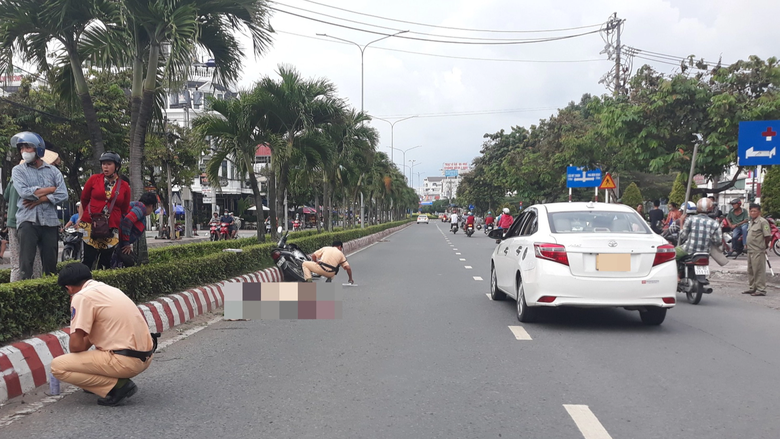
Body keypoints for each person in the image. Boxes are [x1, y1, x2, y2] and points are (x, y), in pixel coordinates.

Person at [50, 263, 156, 406]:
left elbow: (75, 347)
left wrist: (74, 312)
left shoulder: (81, 297)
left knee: (58, 366)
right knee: (95, 352)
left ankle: (118, 386)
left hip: (125, 362)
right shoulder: (108, 288)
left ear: (68, 288)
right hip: (145, 357)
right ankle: (100, 384)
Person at [11, 132, 68, 279]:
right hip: (27, 220)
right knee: (26, 263)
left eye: (28, 147)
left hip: (50, 221)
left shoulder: (53, 171)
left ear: (39, 149)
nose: (24, 151)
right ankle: (25, 295)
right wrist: (50, 189)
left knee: (50, 263)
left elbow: (63, 194)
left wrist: (41, 199)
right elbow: (24, 193)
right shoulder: (18, 170)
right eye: (22, 148)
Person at [80, 152, 131, 270]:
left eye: (109, 164)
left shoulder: (124, 186)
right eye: (103, 164)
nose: (105, 167)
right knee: (88, 259)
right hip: (91, 223)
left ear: (117, 167)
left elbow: (124, 207)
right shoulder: (93, 179)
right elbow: (84, 199)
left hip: (111, 226)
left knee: (106, 261)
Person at [115, 192, 158, 268]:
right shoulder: (141, 208)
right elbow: (127, 221)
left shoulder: (136, 206)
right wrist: (126, 243)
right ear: (151, 206)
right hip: (116, 239)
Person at [742, 203, 772, 297]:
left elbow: (767, 236)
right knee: (751, 270)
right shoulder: (751, 222)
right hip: (750, 250)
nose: (752, 213)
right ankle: (752, 288)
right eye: (751, 211)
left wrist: (765, 246)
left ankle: (761, 289)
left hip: (758, 250)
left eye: (755, 211)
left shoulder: (763, 222)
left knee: (758, 270)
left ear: (759, 212)